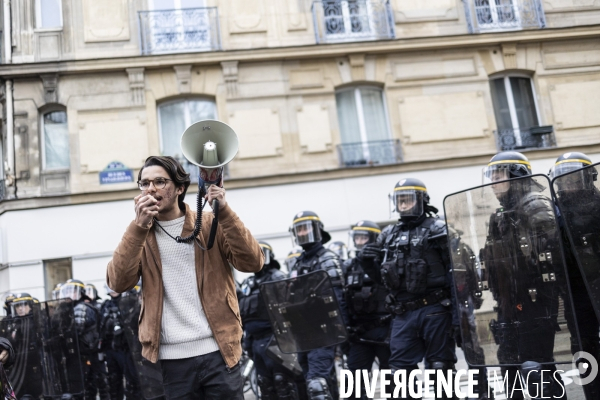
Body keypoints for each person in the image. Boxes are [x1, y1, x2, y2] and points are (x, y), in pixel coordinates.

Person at [106, 155, 263, 399]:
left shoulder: (209, 223)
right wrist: (138, 227)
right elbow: (117, 282)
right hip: (171, 364)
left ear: (179, 188)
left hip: (219, 354)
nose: (151, 189)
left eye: (160, 181)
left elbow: (253, 262)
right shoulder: (140, 235)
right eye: (145, 183)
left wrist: (225, 212)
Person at [357, 178, 456, 399]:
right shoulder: (388, 234)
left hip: (435, 308)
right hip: (403, 313)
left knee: (440, 368)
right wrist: (367, 263)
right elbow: (383, 281)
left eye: (408, 199)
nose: (403, 204)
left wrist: (458, 316)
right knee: (400, 373)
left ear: (421, 200)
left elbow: (456, 272)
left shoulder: (438, 229)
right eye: (400, 200)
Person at [482, 151, 565, 399]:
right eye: (492, 177)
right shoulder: (500, 215)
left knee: (536, 366)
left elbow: (551, 253)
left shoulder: (534, 204)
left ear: (517, 176)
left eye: (499, 176)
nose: (493, 182)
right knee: (509, 365)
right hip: (509, 300)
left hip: (535, 299)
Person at [550, 151, 600, 399]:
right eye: (563, 180)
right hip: (574, 291)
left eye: (573, 178)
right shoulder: (553, 212)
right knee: (583, 347)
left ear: (588, 178)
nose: (567, 185)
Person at [290, 211, 346, 400]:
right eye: (299, 229)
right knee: (316, 382)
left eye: (306, 227)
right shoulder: (298, 263)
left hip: (323, 332)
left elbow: (337, 299)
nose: (303, 233)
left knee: (317, 385)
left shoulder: (327, 258)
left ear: (317, 230)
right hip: (303, 334)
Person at [239, 241, 301, 400]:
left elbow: (290, 310)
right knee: (264, 386)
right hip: (255, 342)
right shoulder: (248, 283)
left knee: (283, 385)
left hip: (276, 340)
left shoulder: (277, 277)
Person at [343, 220, 391, 400]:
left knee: (394, 382)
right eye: (357, 237)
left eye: (363, 237)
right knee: (353, 385)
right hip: (359, 333)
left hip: (385, 331)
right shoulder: (348, 266)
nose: (359, 242)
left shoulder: (385, 262)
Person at [59, 279, 109, 400]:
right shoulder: (68, 308)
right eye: (68, 291)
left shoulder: (81, 307)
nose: (70, 294)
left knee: (89, 384)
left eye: (73, 291)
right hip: (78, 354)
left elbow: (76, 330)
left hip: (87, 353)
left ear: (81, 293)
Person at [100, 284, 141, 399]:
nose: (113, 291)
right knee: (113, 381)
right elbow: (101, 328)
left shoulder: (128, 302)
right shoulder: (106, 305)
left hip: (126, 348)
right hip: (111, 348)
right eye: (110, 288)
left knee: (131, 379)